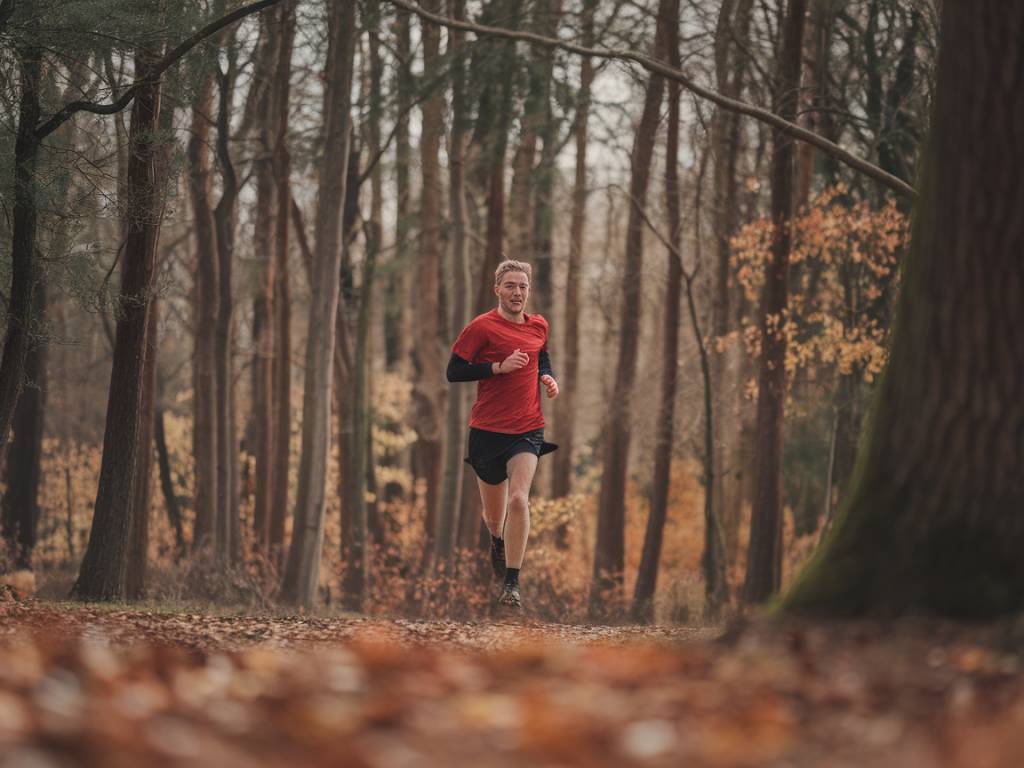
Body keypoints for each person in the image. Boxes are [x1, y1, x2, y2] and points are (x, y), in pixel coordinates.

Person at [446, 259, 559, 608]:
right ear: (497, 289)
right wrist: (496, 367)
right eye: (510, 285)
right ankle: (496, 539)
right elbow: (454, 371)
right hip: (486, 431)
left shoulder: (538, 325)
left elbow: (542, 356)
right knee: (494, 518)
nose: (518, 292)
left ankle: (512, 583)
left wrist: (547, 377)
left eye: (523, 286)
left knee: (518, 500)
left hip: (528, 428)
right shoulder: (481, 327)